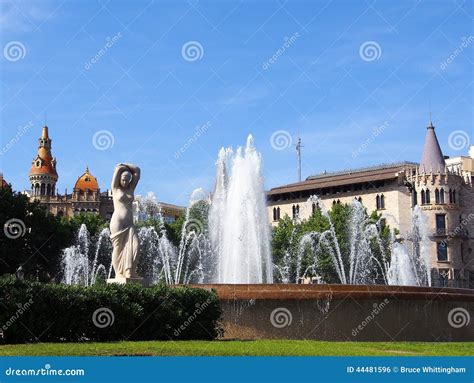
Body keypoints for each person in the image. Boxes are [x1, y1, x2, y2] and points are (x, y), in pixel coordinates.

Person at [110, 163, 141, 279]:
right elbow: (117, 169)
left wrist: (126, 165)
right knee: (117, 248)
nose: (126, 182)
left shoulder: (131, 188)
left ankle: (130, 271)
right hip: (117, 221)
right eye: (123, 180)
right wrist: (120, 167)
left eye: (128, 180)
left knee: (136, 246)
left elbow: (137, 171)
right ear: (119, 179)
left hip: (130, 223)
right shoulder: (115, 188)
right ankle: (119, 273)